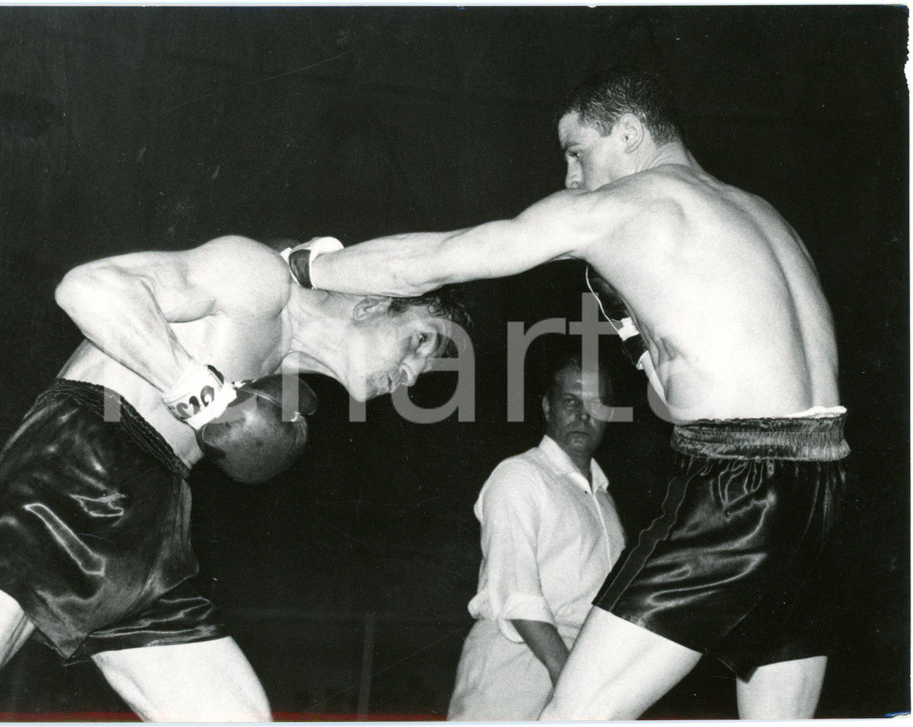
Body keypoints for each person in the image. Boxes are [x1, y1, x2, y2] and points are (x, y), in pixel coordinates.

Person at [285, 66, 849, 719]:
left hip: (737, 486)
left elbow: (443, 257)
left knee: (568, 717)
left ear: (631, 133)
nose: (571, 179)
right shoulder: (763, 215)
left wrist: (306, 265)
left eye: (578, 153)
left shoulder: (627, 207)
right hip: (825, 491)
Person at [0, 234, 469, 722]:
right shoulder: (256, 280)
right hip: (79, 469)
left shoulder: (285, 369)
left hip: (150, 518)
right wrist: (198, 395)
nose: (416, 372)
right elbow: (87, 287)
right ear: (372, 304)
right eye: (421, 340)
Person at [447, 355, 625, 721]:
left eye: (596, 404)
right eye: (570, 401)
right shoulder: (520, 476)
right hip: (520, 662)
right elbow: (517, 596)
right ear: (547, 407)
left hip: (585, 670)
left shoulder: (602, 496)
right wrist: (570, 683)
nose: (583, 414)